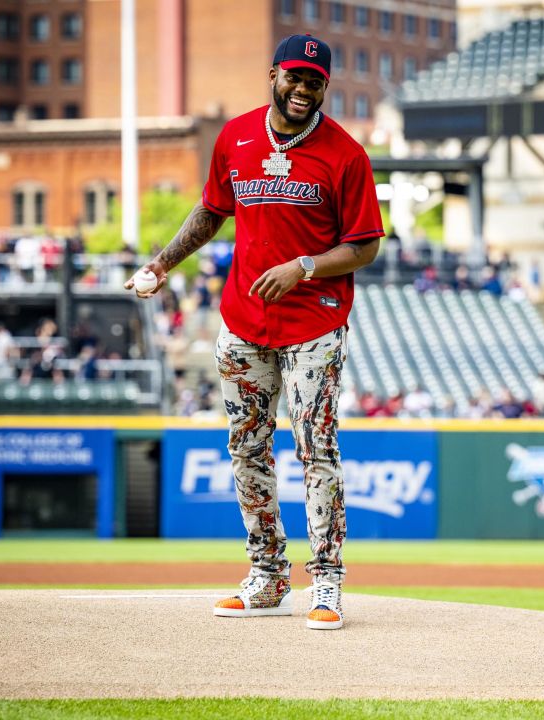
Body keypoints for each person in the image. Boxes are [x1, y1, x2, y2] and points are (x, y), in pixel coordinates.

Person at [125, 34, 381, 631]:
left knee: (316, 449)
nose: (302, 88)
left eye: (314, 81)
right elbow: (212, 209)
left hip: (314, 321)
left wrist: (305, 267)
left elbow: (365, 244)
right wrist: (163, 263)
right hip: (244, 322)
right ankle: (267, 576)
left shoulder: (345, 154)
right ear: (274, 74)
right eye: (294, 76)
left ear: (324, 88)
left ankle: (326, 583)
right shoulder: (236, 136)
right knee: (246, 449)